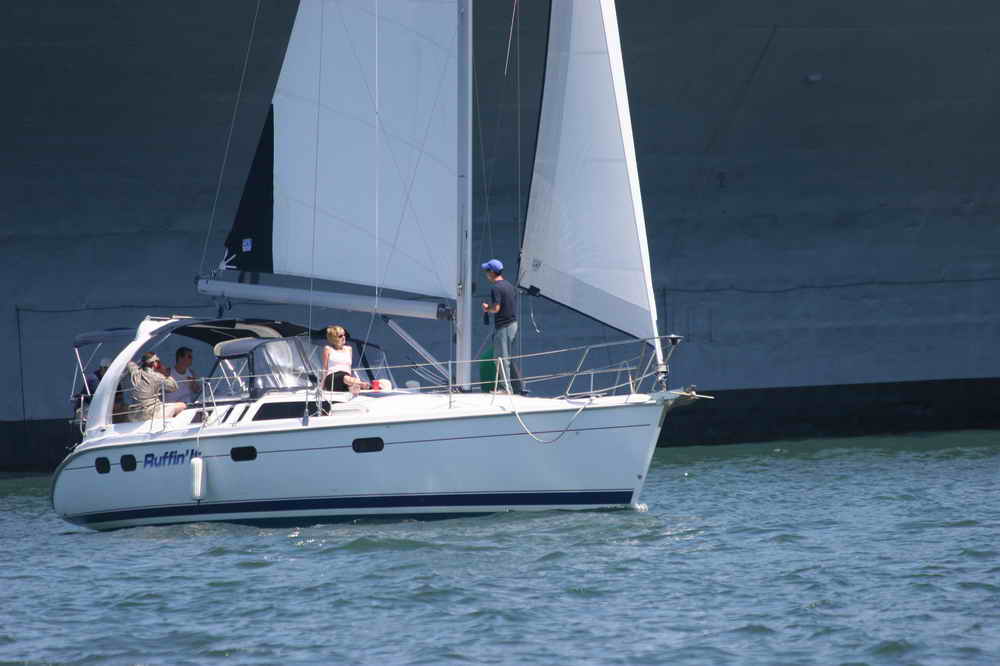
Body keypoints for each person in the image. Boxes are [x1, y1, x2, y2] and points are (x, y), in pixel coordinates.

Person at [480, 258, 521, 393]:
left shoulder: (496, 288)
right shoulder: (509, 286)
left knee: (501, 359)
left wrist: (487, 309)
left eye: (487, 271)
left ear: (492, 272)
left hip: (504, 327)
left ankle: (506, 388)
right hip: (512, 325)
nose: (486, 274)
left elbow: (496, 308)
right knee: (501, 357)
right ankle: (509, 386)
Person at [126, 351, 186, 421]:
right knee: (182, 405)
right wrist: (163, 372)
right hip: (150, 413)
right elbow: (174, 387)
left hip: (134, 414)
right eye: (158, 361)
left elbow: (129, 363)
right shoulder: (157, 376)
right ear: (154, 363)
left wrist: (142, 363)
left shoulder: (135, 372)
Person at [322, 325, 370, 393]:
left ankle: (356, 386)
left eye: (344, 335)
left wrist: (350, 379)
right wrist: (322, 386)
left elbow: (349, 367)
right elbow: (325, 369)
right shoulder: (328, 349)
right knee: (343, 376)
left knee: (348, 378)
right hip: (332, 379)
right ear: (333, 338)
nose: (344, 337)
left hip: (346, 379)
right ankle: (362, 384)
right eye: (340, 336)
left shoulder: (349, 349)